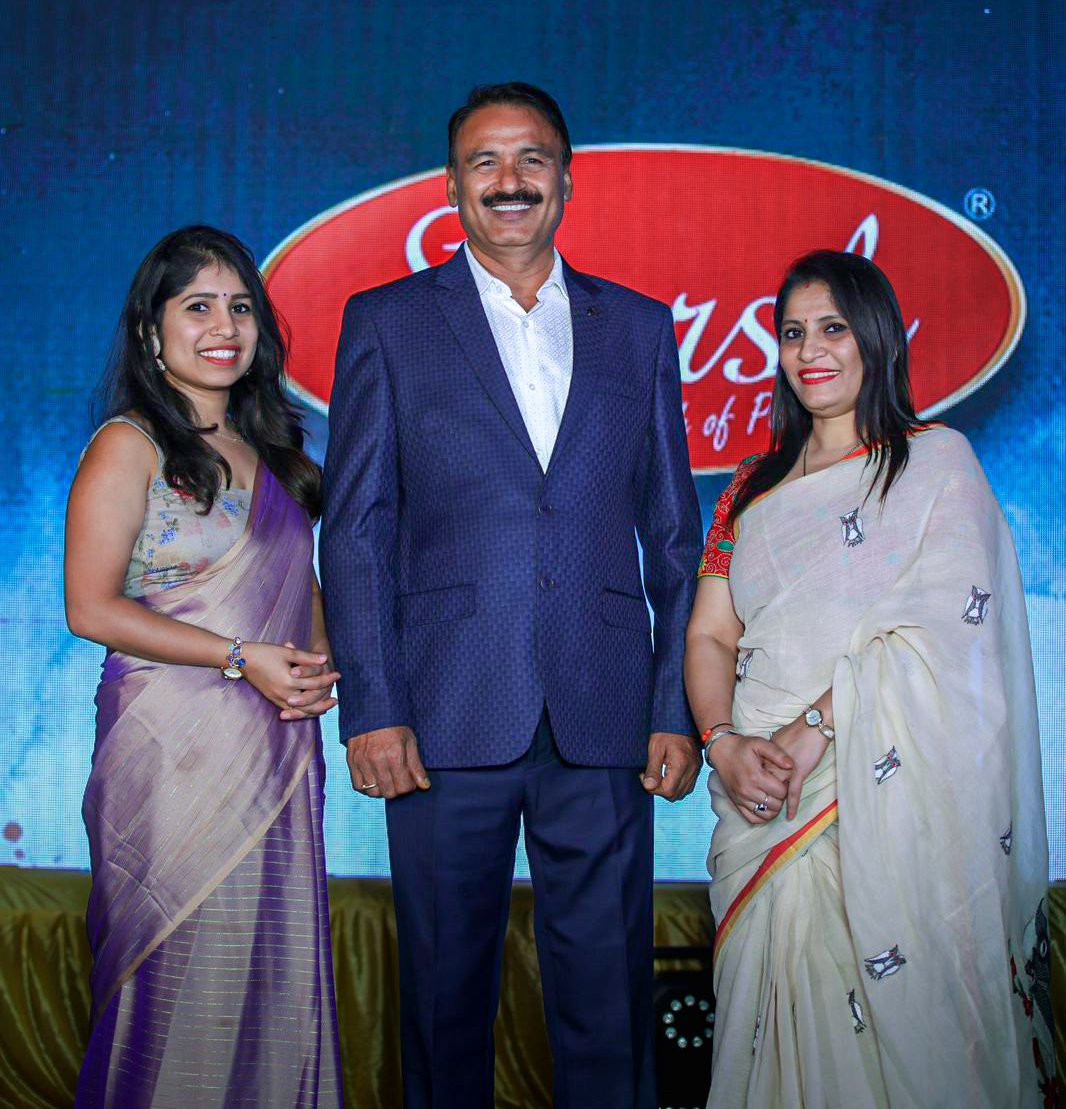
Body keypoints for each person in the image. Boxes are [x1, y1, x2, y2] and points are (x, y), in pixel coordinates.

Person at [320, 82, 703, 1108]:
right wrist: (374, 706)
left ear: (566, 180)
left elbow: (675, 539)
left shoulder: (638, 328)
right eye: (483, 162)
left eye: (530, 158)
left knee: (609, 1001)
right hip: (440, 712)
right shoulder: (388, 323)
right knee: (443, 1001)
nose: (509, 180)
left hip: (606, 713)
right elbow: (354, 530)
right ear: (451, 187)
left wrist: (675, 708)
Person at [684, 249, 1053, 1108]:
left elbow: (947, 633)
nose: (810, 350)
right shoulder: (752, 487)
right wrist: (723, 745)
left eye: (833, 328)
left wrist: (818, 727)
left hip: (878, 800)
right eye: (792, 333)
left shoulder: (935, 464)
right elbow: (709, 634)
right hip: (760, 796)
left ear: (877, 338)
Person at [65, 226, 344, 1108]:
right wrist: (237, 656)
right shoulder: (129, 444)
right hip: (169, 759)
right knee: (176, 983)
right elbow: (90, 608)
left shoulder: (278, 458)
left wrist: (320, 660)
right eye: (198, 306)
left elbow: (300, 587)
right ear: (151, 330)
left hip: (275, 750)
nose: (225, 326)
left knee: (269, 981)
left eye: (241, 307)